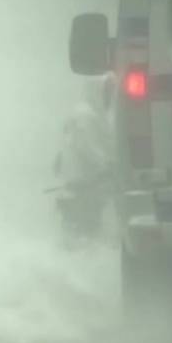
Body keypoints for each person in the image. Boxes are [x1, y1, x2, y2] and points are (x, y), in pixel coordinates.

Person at [54, 74, 115, 237]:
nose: (110, 97)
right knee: (85, 233)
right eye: (107, 92)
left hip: (78, 185)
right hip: (82, 187)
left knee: (79, 235)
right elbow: (87, 147)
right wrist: (108, 164)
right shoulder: (86, 115)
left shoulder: (84, 113)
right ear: (96, 90)